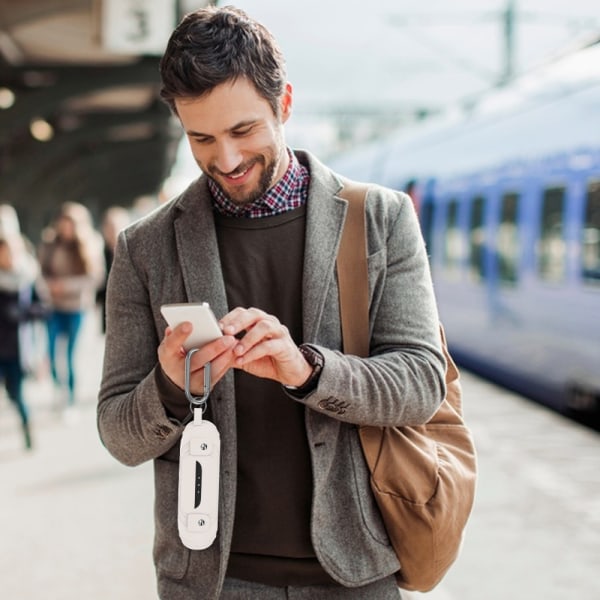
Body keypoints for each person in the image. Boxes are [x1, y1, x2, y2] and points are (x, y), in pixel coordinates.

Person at [97, 6, 446, 600]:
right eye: (201, 138)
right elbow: (118, 434)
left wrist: (309, 371)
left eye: (243, 131)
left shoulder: (382, 220)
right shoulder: (145, 248)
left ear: (284, 104)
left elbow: (421, 383)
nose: (226, 160)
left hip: (355, 573)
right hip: (211, 580)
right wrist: (169, 384)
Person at [39, 202, 104, 412]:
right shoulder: (49, 244)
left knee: (70, 355)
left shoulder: (89, 244)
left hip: (77, 308)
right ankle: (59, 389)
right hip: (54, 307)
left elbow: (95, 278)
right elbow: (40, 272)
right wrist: (49, 287)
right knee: (50, 350)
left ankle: (71, 397)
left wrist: (64, 286)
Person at [0, 209, 47, 450]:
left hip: (18, 351)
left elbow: (43, 308)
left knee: (17, 396)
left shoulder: (27, 278)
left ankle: (27, 428)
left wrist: (23, 313)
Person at [97, 206, 131, 333]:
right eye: (109, 227)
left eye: (115, 226)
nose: (112, 231)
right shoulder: (99, 251)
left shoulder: (132, 252)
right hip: (107, 307)